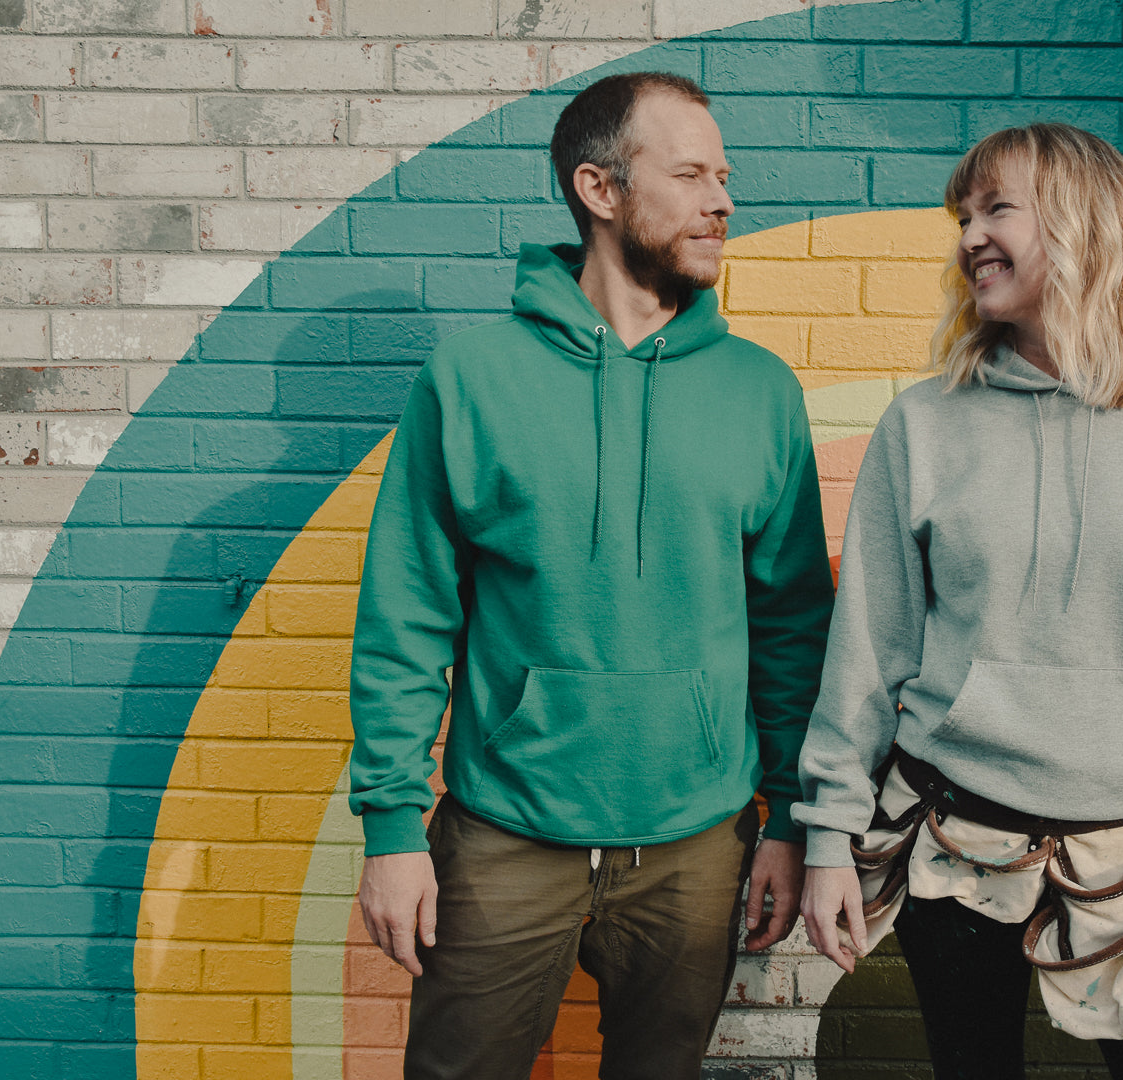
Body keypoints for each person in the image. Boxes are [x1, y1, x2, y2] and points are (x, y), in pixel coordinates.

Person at [348, 71, 834, 1079]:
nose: (723, 201)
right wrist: (392, 829)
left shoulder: (760, 393)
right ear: (600, 190)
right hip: (505, 837)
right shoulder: (472, 381)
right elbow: (408, 614)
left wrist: (786, 819)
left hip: (698, 846)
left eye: (726, 176)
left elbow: (791, 625)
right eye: (692, 174)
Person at [795, 123, 1123, 1079]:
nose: (969, 236)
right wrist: (828, 838)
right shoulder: (923, 424)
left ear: (1082, 225)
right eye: (962, 216)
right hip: (955, 843)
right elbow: (868, 651)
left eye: (996, 209)